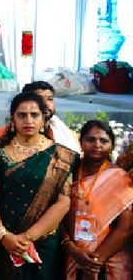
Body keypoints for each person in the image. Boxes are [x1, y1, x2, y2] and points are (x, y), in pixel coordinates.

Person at [0, 92, 78, 280]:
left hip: (42, 242)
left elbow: (63, 203)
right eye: (22, 115)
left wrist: (27, 237)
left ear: (44, 118)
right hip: (2, 238)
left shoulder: (61, 156)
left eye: (34, 115)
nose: (28, 120)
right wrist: (3, 235)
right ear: (12, 118)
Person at [64, 120, 133, 280]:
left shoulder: (120, 178)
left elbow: (126, 228)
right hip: (75, 255)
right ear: (80, 142)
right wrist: (72, 250)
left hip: (109, 261)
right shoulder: (69, 174)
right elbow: (59, 217)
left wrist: (94, 262)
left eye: (103, 141)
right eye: (90, 139)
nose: (97, 144)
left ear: (111, 145)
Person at [0, 81, 80, 153]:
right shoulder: (0, 137)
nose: (46, 104)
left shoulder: (67, 135)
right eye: (39, 99)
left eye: (49, 99)